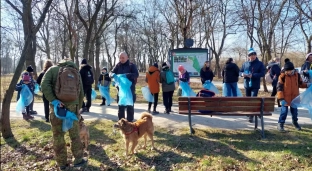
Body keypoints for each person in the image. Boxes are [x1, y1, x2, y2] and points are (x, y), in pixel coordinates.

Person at [41, 58, 87, 170]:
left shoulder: (52, 70)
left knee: (58, 136)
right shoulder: (76, 72)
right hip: (73, 108)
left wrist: (54, 100)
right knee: (75, 135)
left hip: (57, 108)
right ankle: (78, 160)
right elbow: (81, 92)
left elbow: (44, 85)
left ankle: (62, 163)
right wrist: (78, 107)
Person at [276, 61, 311, 132]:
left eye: (290, 71)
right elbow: (279, 88)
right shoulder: (282, 77)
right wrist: (281, 98)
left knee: (295, 112)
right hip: (285, 98)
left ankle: (295, 122)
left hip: (295, 98)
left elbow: (300, 84)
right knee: (284, 112)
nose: (288, 72)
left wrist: (307, 85)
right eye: (287, 71)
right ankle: (280, 124)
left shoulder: (297, 75)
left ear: (293, 69)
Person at [110, 52, 139, 122]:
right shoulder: (118, 65)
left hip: (130, 89)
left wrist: (126, 75)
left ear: (127, 57)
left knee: (130, 105)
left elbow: (136, 74)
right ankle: (121, 121)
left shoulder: (131, 65)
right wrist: (112, 75)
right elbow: (111, 73)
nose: (121, 59)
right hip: (120, 90)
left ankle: (130, 121)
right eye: (120, 58)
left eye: (123, 58)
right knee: (121, 105)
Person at [240, 48, 265, 122]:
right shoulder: (245, 63)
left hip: (255, 85)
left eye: (254, 55)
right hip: (247, 84)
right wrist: (242, 74)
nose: (253, 56)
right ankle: (249, 112)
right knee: (248, 100)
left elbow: (262, 73)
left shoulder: (260, 64)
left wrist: (253, 75)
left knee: (253, 99)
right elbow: (240, 71)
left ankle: (251, 116)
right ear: (248, 56)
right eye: (251, 55)